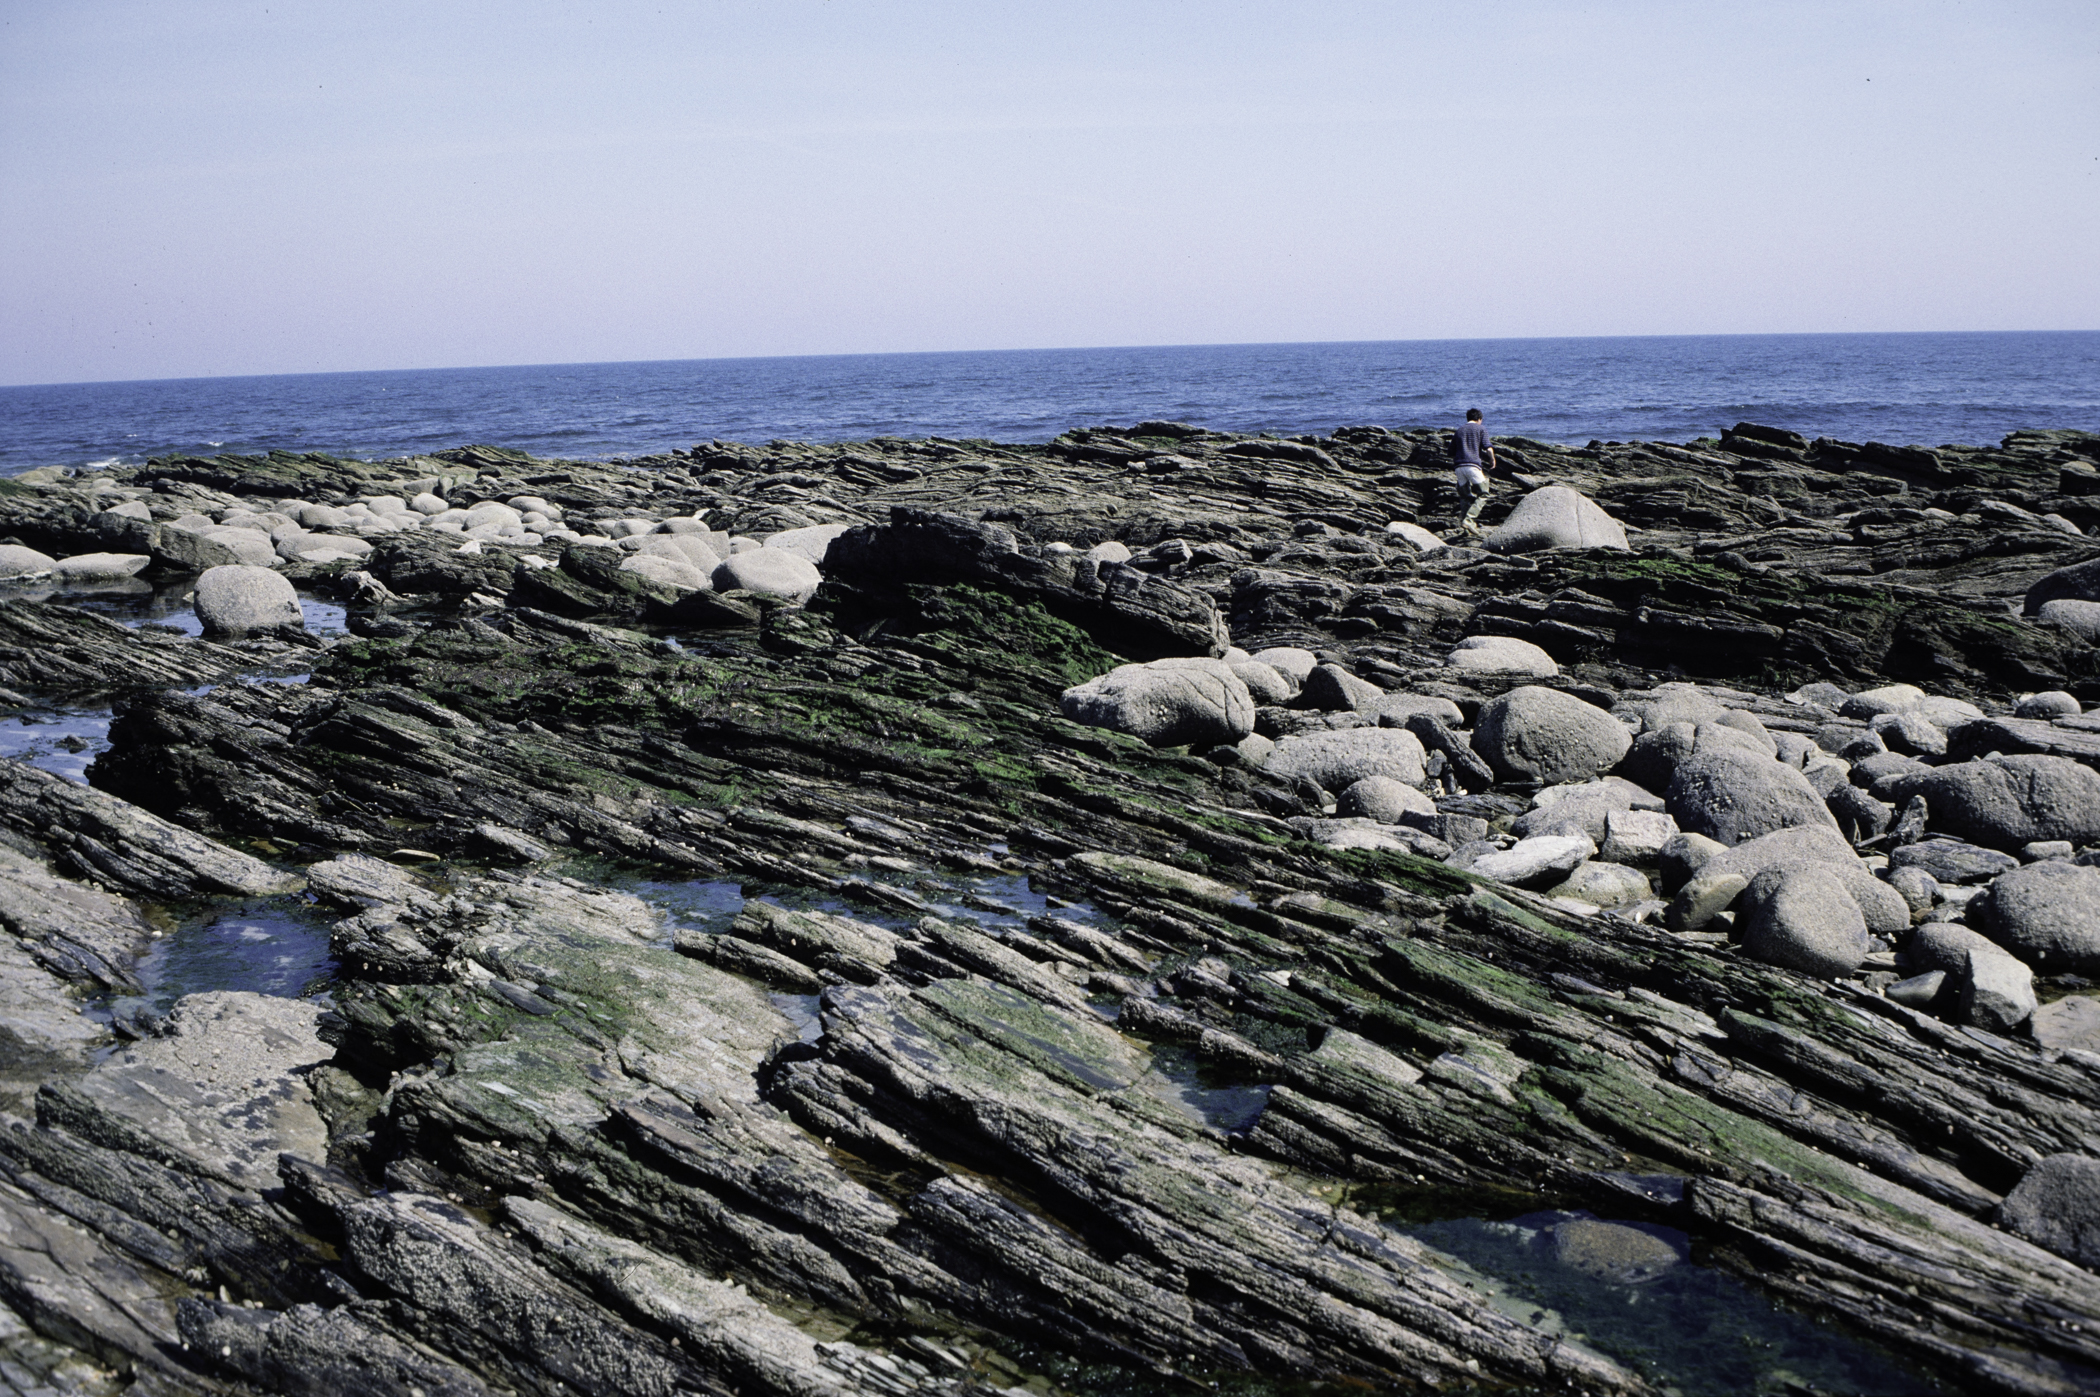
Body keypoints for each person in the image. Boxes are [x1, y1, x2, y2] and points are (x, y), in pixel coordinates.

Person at [1451, 407, 1497, 537]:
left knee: (1465, 497)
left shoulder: (1459, 430)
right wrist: (1492, 460)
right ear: (1479, 419)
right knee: (1484, 493)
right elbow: (1488, 448)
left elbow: (1450, 451)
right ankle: (1469, 520)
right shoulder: (1481, 429)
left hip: (1459, 467)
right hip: (1473, 466)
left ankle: (1466, 530)